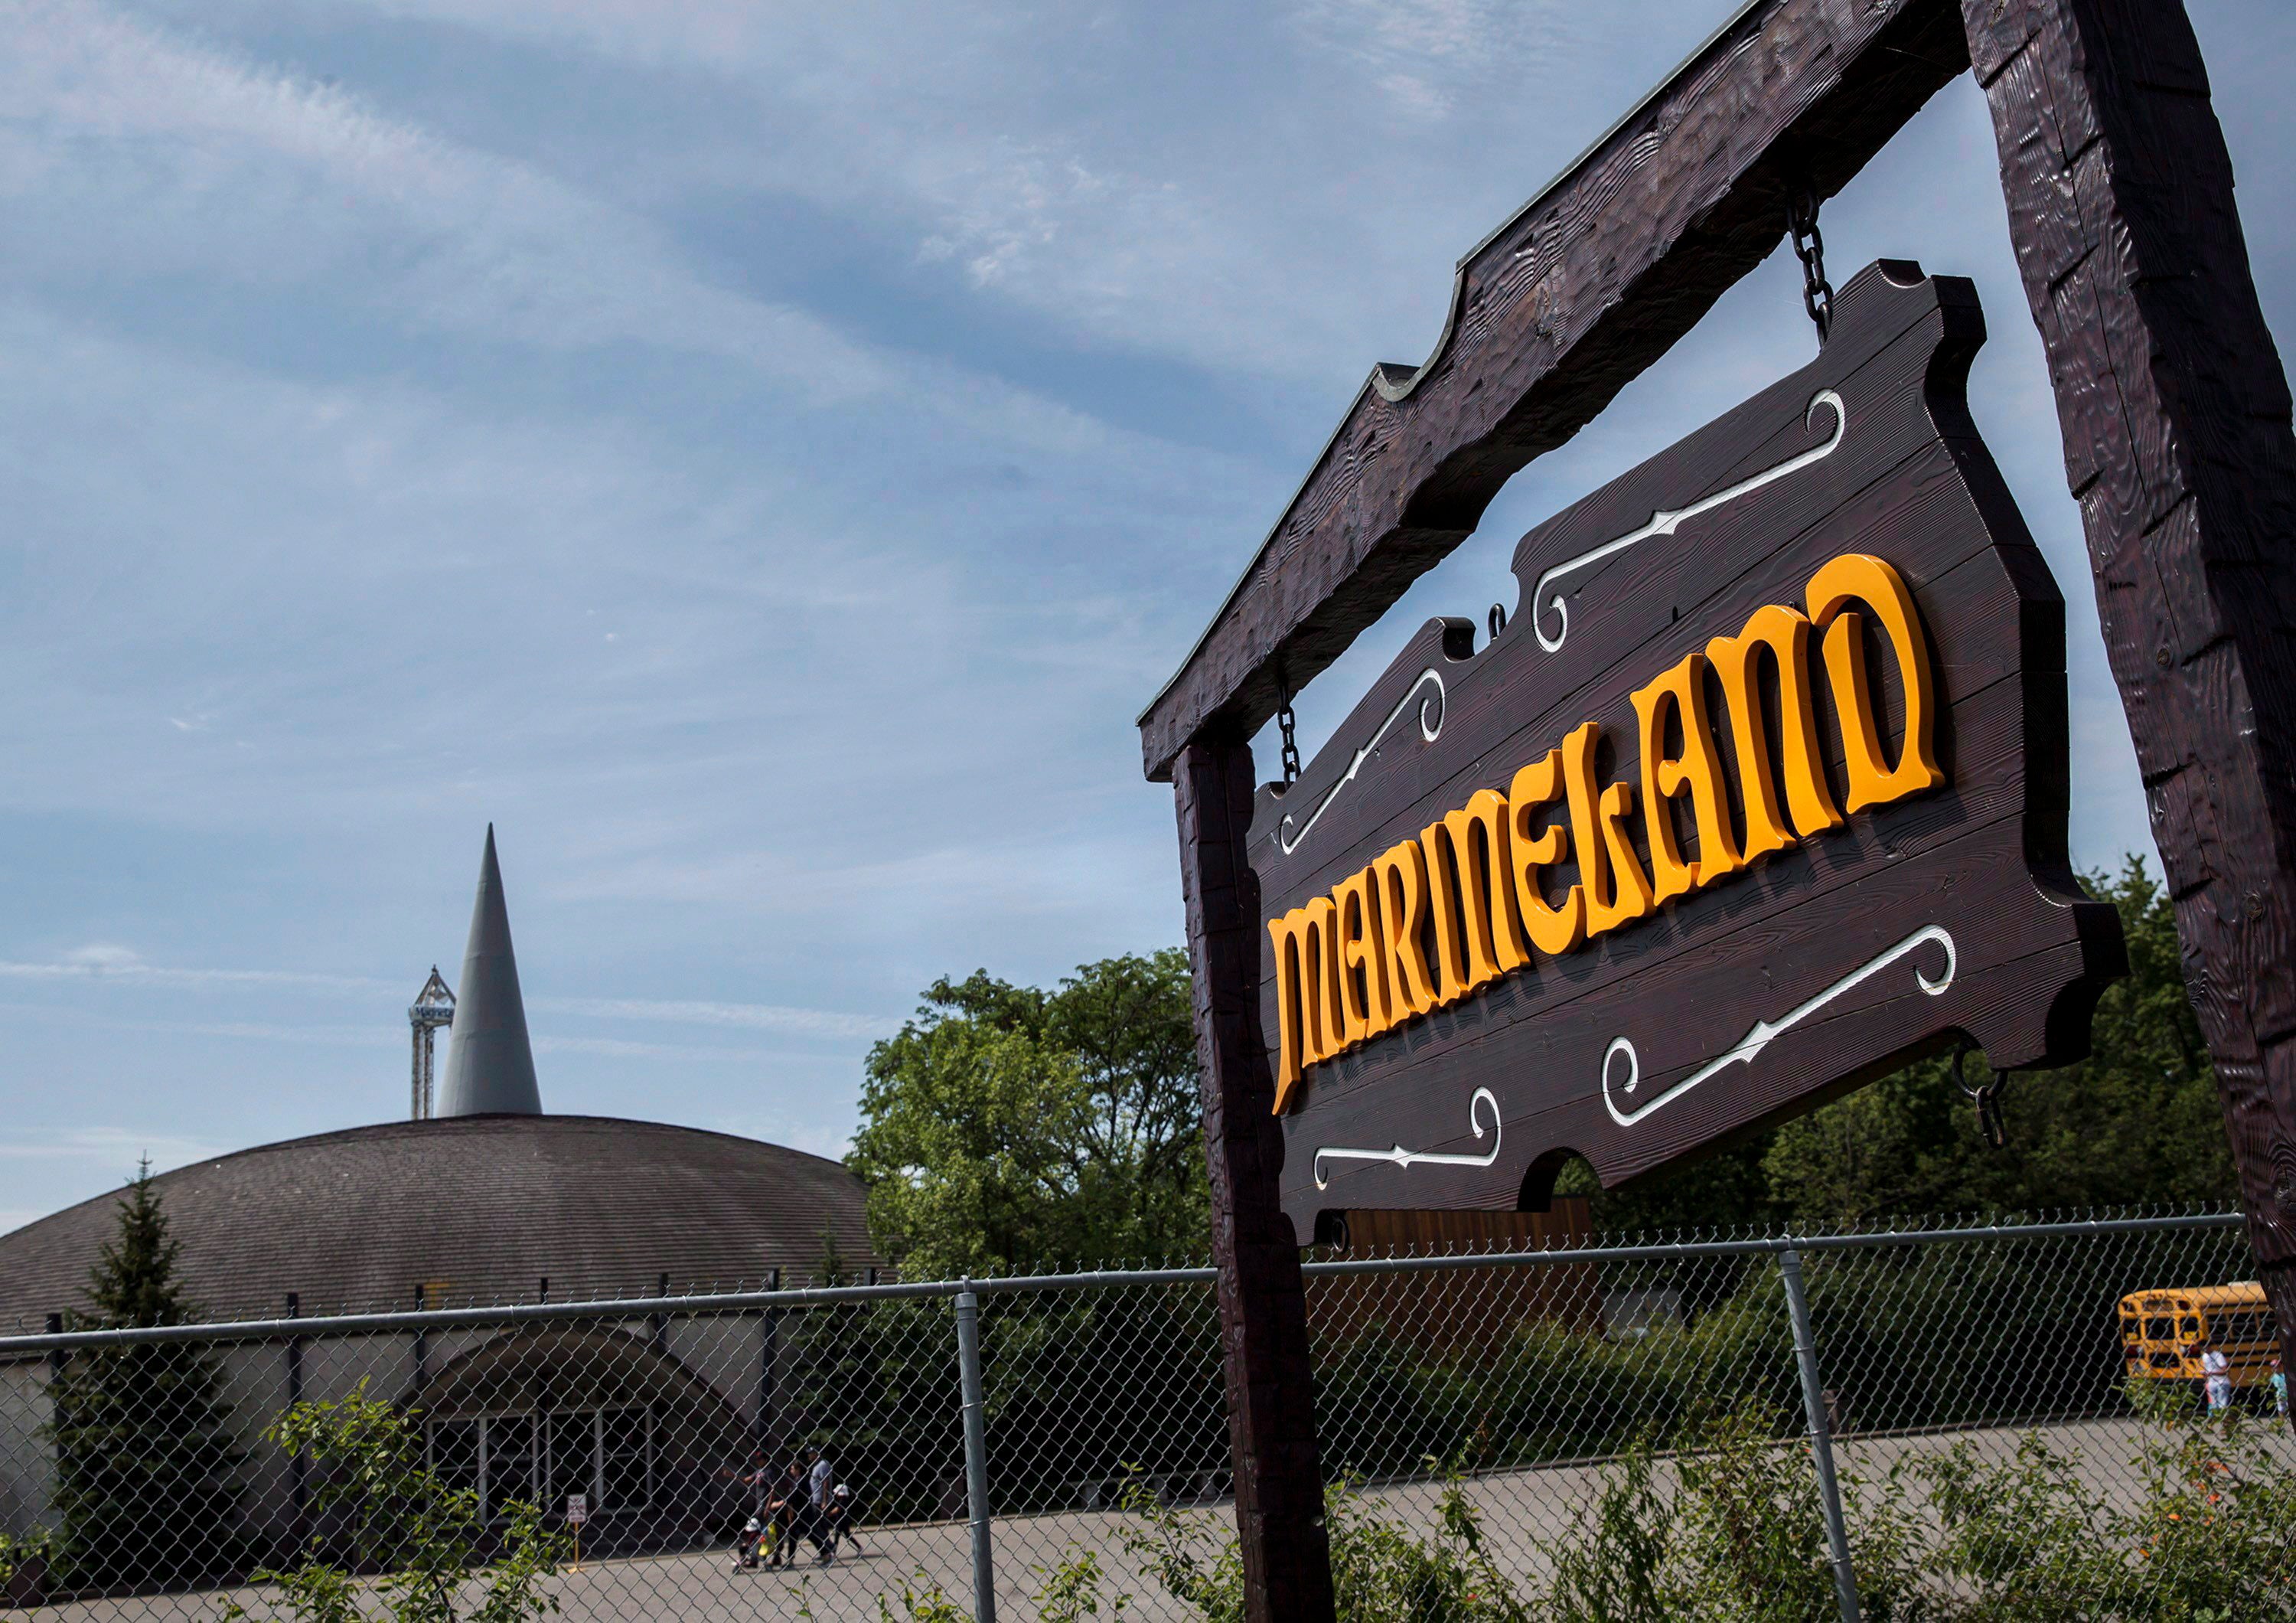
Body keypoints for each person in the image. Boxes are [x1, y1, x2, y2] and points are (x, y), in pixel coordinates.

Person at [768, 1460, 807, 1569]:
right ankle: (788, 1560)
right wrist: (790, 1519)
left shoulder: (800, 1481)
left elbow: (790, 1499)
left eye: (792, 1469)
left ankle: (828, 1551)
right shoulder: (794, 1482)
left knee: (813, 1534)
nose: (790, 1471)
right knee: (793, 1536)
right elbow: (790, 1503)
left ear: (798, 1469)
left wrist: (778, 1504)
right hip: (796, 1516)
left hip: (803, 1515)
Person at [806, 1447, 837, 1565]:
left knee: (819, 1526)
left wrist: (824, 1500)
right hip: (815, 1500)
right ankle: (826, 1550)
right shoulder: (816, 1465)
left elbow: (826, 1481)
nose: (809, 1456)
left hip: (820, 1501)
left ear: (816, 1454)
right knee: (820, 1525)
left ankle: (829, 1547)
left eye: (811, 1454)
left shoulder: (823, 1464)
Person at [825, 1481, 863, 1556]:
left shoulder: (843, 1500)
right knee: (847, 1535)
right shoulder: (844, 1500)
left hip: (841, 1520)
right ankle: (859, 1547)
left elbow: (838, 1509)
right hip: (844, 1519)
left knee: (837, 1536)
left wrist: (829, 1514)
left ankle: (834, 1552)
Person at [2199, 1337, 2232, 1416]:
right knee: (2213, 1405)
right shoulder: (2205, 1357)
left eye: (2205, 1347)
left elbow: (2226, 1371)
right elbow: (2207, 1370)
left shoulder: (2218, 1355)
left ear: (2209, 1346)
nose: (2204, 1350)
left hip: (2222, 1381)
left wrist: (2212, 1373)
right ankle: (2212, 1424)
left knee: (2222, 1404)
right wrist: (2206, 1379)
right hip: (2211, 1382)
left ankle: (2225, 1424)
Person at [2272, 1351, 2288, 1427]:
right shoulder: (2274, 1377)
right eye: (2274, 1367)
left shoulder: (2283, 1375)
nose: (2276, 1368)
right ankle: (2281, 1423)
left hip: (2287, 1394)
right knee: (2281, 1409)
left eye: (2278, 1366)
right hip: (2280, 1395)